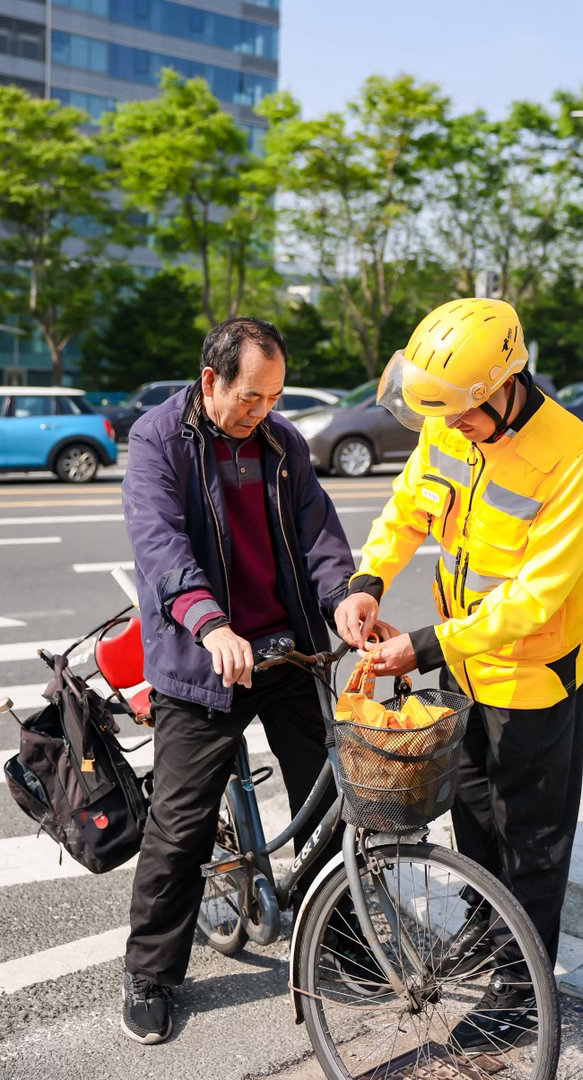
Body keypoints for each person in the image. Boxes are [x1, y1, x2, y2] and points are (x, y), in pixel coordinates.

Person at [334, 297, 583, 1053]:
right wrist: (367, 580)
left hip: (531, 680)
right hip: (462, 666)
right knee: (474, 816)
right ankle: (491, 935)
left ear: (505, 384)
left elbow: (534, 600)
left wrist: (420, 647)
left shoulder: (575, 461)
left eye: (463, 415)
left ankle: (524, 992)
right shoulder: (448, 415)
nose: (450, 428)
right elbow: (409, 510)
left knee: (533, 840)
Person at [120, 316, 358, 1045]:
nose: (265, 410)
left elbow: (319, 532)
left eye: (275, 396)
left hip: (286, 651)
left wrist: (345, 595)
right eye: (252, 396)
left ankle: (337, 939)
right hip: (204, 659)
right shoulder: (158, 440)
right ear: (210, 381)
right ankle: (151, 975)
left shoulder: (282, 443)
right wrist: (210, 623)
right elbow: (159, 543)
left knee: (333, 795)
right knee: (181, 825)